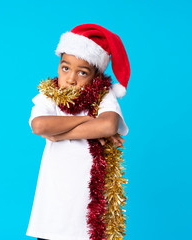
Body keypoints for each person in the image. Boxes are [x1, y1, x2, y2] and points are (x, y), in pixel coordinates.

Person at [26, 23, 131, 240]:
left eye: (82, 72)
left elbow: (108, 126)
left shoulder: (103, 96)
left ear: (95, 76)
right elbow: (39, 126)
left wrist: (58, 134)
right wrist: (87, 120)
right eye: (65, 68)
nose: (71, 79)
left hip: (88, 202)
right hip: (54, 200)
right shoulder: (50, 95)